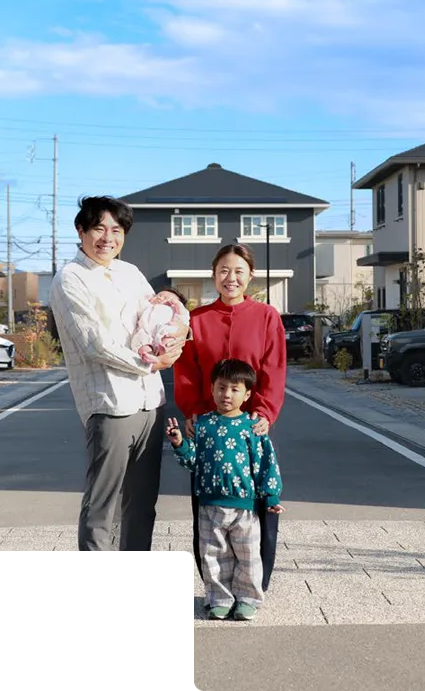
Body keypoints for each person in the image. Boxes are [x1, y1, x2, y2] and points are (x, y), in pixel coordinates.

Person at [48, 195, 190, 555]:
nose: (108, 237)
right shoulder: (70, 278)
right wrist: (151, 363)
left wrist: (175, 340)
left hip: (150, 401)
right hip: (110, 402)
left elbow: (156, 320)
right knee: (103, 506)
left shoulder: (130, 273)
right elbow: (94, 343)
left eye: (116, 229)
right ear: (81, 230)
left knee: (143, 503)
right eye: (98, 228)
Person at [172, 244, 287, 590]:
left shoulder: (267, 317)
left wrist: (264, 412)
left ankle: (253, 587)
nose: (231, 278)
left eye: (239, 271)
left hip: (250, 427)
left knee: (256, 511)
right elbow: (186, 371)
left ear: (251, 275)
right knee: (208, 515)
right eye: (224, 270)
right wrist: (193, 411)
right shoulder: (197, 319)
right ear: (213, 274)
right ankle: (216, 588)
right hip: (208, 429)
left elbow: (274, 369)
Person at [165, 358, 283, 621]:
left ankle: (248, 599)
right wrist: (180, 443)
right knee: (213, 556)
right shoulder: (204, 425)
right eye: (221, 388)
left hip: (245, 506)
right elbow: (192, 461)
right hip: (209, 503)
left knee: (248, 555)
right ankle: (218, 598)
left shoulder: (253, 427)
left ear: (248, 393)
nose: (226, 395)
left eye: (234, 389)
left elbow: (266, 463)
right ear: (211, 389)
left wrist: (271, 496)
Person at [130, 287, 191, 366]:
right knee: (140, 341)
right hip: (145, 331)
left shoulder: (173, 310)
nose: (160, 298)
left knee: (169, 336)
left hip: (164, 328)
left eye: (166, 298)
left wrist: (178, 304)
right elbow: (139, 306)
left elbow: (183, 318)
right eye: (158, 295)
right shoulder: (148, 306)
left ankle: (163, 350)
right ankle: (148, 356)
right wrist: (147, 299)